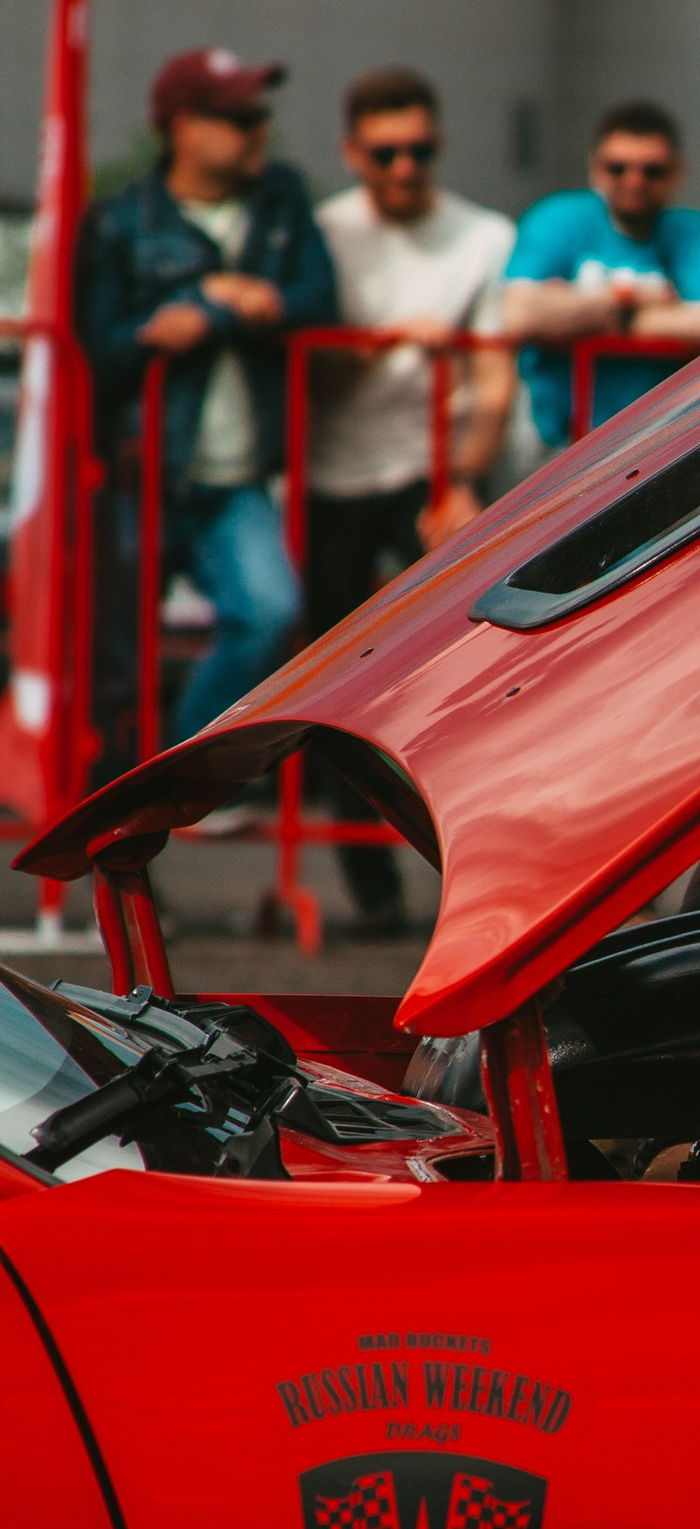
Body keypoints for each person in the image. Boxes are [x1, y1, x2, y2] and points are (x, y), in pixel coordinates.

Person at [74, 47, 337, 754]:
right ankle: (122, 804)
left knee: (269, 614)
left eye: (259, 115)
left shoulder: (279, 197)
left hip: (236, 478)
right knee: (117, 666)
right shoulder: (121, 219)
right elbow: (97, 351)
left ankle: (177, 775)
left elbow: (320, 301)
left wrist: (213, 313)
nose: (259, 131)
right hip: (138, 474)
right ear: (183, 127)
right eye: (239, 118)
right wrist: (196, 308)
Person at [305, 69, 519, 929]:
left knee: (472, 677)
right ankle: (374, 894)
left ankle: (482, 878)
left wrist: (463, 479)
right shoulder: (326, 233)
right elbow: (314, 374)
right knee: (332, 694)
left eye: (420, 151)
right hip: (333, 477)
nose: (405, 168)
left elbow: (494, 385)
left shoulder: (484, 236)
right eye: (386, 153)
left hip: (433, 475)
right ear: (352, 153)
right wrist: (385, 345)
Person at [504, 101, 700, 452]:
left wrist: (618, 319)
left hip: (658, 445)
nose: (634, 181)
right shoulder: (560, 216)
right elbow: (519, 313)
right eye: (617, 168)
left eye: (652, 170)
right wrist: (632, 298)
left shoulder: (688, 230)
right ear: (595, 168)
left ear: (677, 172)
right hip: (561, 445)